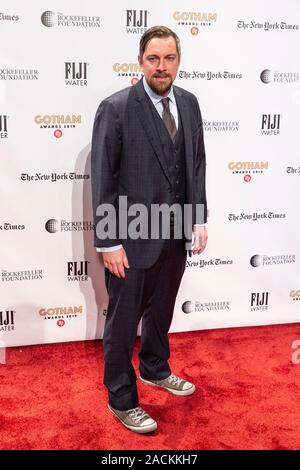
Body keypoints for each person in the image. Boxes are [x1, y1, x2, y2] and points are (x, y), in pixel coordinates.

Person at [91, 25, 208, 434]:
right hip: (132, 239)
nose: (162, 66)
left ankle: (155, 368)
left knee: (160, 313)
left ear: (179, 61)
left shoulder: (190, 104)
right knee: (122, 324)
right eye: (154, 58)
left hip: (174, 235)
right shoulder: (117, 107)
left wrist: (198, 219)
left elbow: (196, 165)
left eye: (169, 58)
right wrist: (109, 240)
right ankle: (121, 398)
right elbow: (104, 178)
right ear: (140, 61)